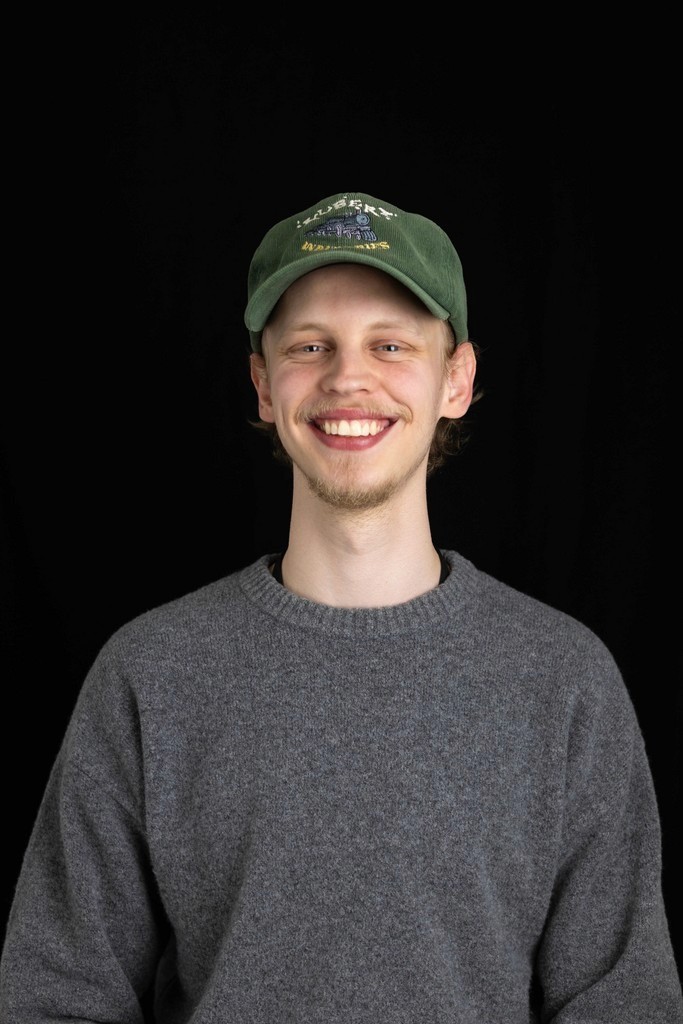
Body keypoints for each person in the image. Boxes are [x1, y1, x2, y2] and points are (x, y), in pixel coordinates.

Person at [1, 190, 681, 1023]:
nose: (347, 377)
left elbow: (621, 1004)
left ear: (456, 380)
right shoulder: (151, 673)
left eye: (389, 344)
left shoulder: (563, 679)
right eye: (310, 345)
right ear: (263, 383)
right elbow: (58, 995)